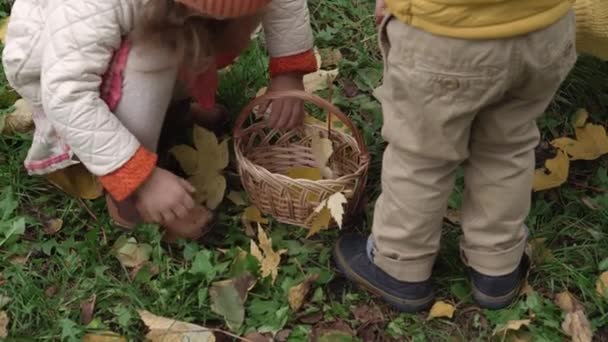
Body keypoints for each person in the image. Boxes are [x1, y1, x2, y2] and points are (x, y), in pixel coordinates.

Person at [334, 0, 608, 312]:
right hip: (543, 28)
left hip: (448, 34)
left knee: (421, 154)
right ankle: (498, 264)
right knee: (509, 146)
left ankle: (400, 263)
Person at [2, 0, 317, 240]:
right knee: (153, 61)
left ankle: (172, 107)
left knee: (169, 53)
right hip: (52, 63)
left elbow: (282, 3)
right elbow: (67, 95)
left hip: (151, 26)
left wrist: (288, 75)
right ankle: (127, 196)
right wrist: (141, 178)